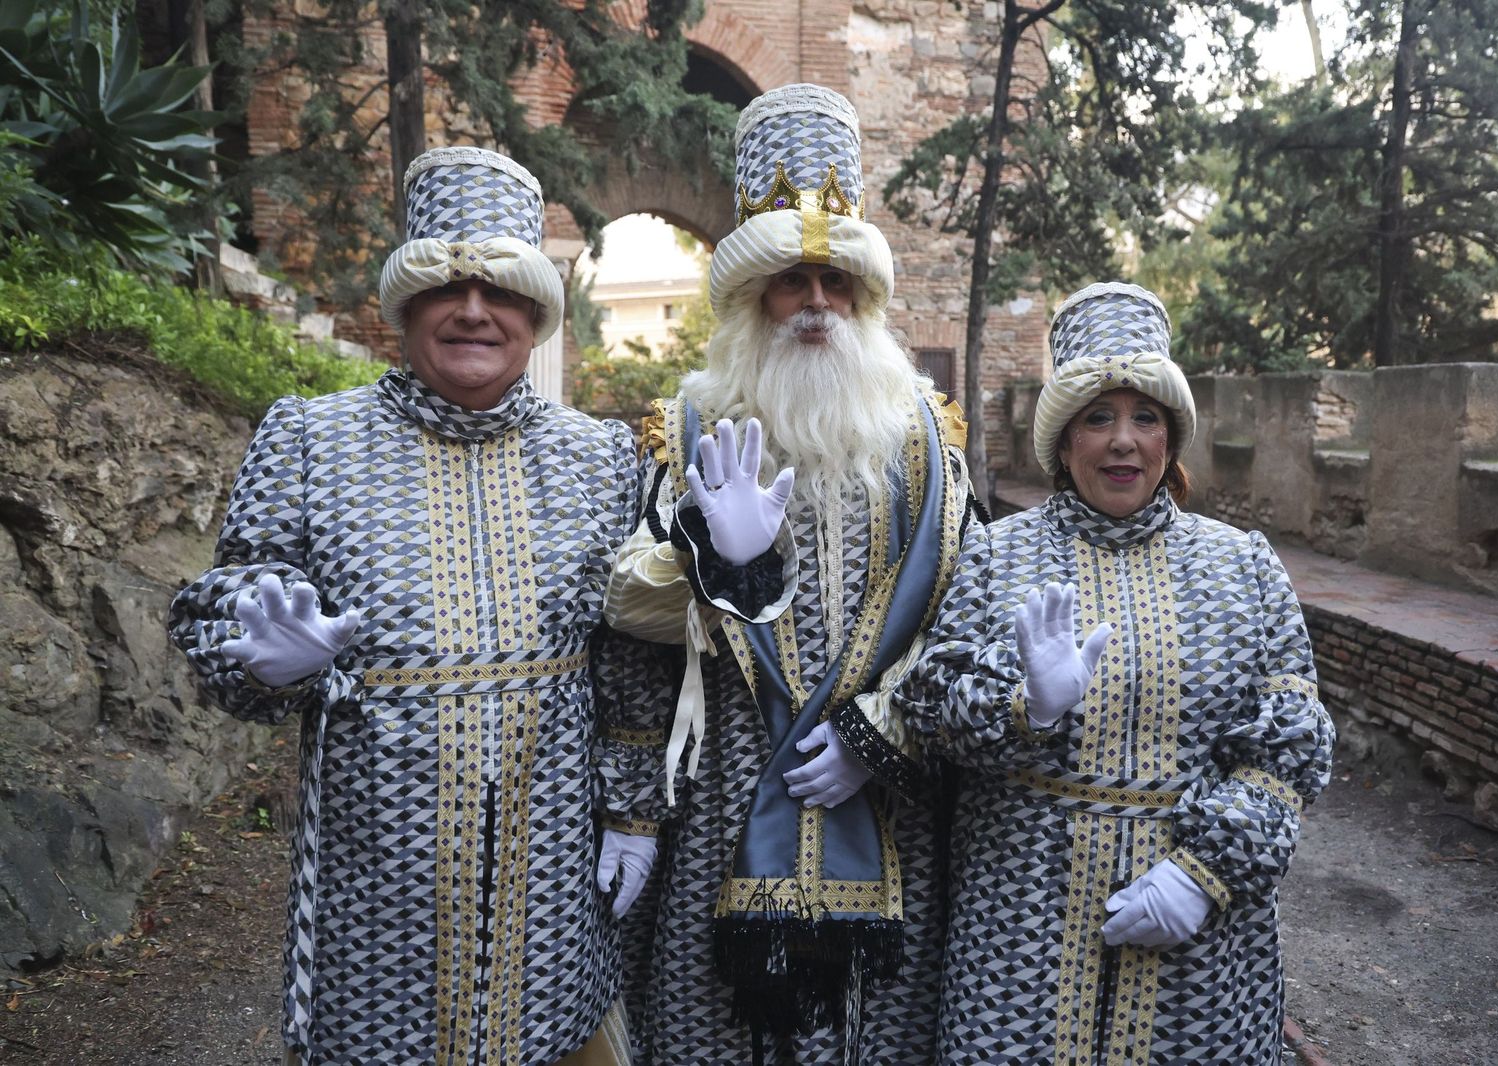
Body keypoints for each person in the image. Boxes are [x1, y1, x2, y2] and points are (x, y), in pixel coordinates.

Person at [167, 146, 640, 1065]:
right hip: (378, 869)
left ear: (537, 313)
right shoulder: (311, 435)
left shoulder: (605, 457)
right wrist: (255, 650)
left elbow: (630, 656)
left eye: (501, 289)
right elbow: (212, 608)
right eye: (446, 287)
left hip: (551, 867)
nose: (474, 310)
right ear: (405, 307)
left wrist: (631, 813)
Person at [598, 84, 975, 1064]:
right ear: (751, 298)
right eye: (791, 282)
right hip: (722, 800)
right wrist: (634, 811)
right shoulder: (685, 429)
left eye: (834, 283)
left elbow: (968, 621)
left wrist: (880, 734)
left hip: (885, 807)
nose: (814, 303)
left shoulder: (930, 446)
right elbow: (631, 634)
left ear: (863, 297)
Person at [895, 282, 1335, 1065]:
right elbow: (930, 707)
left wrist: (1202, 876)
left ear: (1172, 439)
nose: (1123, 441)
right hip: (1022, 923)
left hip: (1197, 938)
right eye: (1098, 418)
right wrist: (1022, 704)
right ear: (1064, 443)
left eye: (1145, 418)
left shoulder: (1245, 566)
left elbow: (1291, 748)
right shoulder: (997, 555)